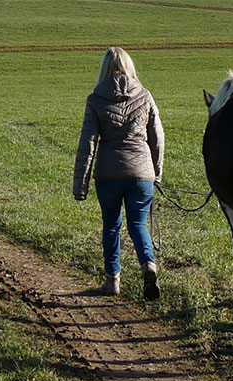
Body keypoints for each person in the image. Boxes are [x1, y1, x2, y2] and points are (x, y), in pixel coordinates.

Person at [73, 47, 164, 300]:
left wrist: (80, 184)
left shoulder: (95, 99)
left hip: (108, 175)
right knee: (138, 224)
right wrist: (156, 172)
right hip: (140, 174)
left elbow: (87, 143)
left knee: (111, 226)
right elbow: (158, 138)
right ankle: (148, 265)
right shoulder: (145, 95)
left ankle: (113, 280)